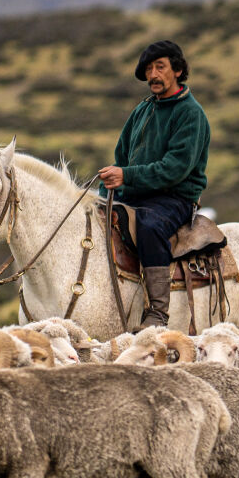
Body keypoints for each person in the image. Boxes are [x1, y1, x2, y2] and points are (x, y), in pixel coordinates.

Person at [97, 37, 211, 330]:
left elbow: (175, 169)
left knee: (149, 225)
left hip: (174, 199)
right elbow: (122, 155)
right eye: (148, 70)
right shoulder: (142, 110)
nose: (152, 75)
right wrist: (107, 190)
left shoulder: (190, 113)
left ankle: (158, 314)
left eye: (160, 67)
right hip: (135, 194)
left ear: (177, 70)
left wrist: (128, 176)